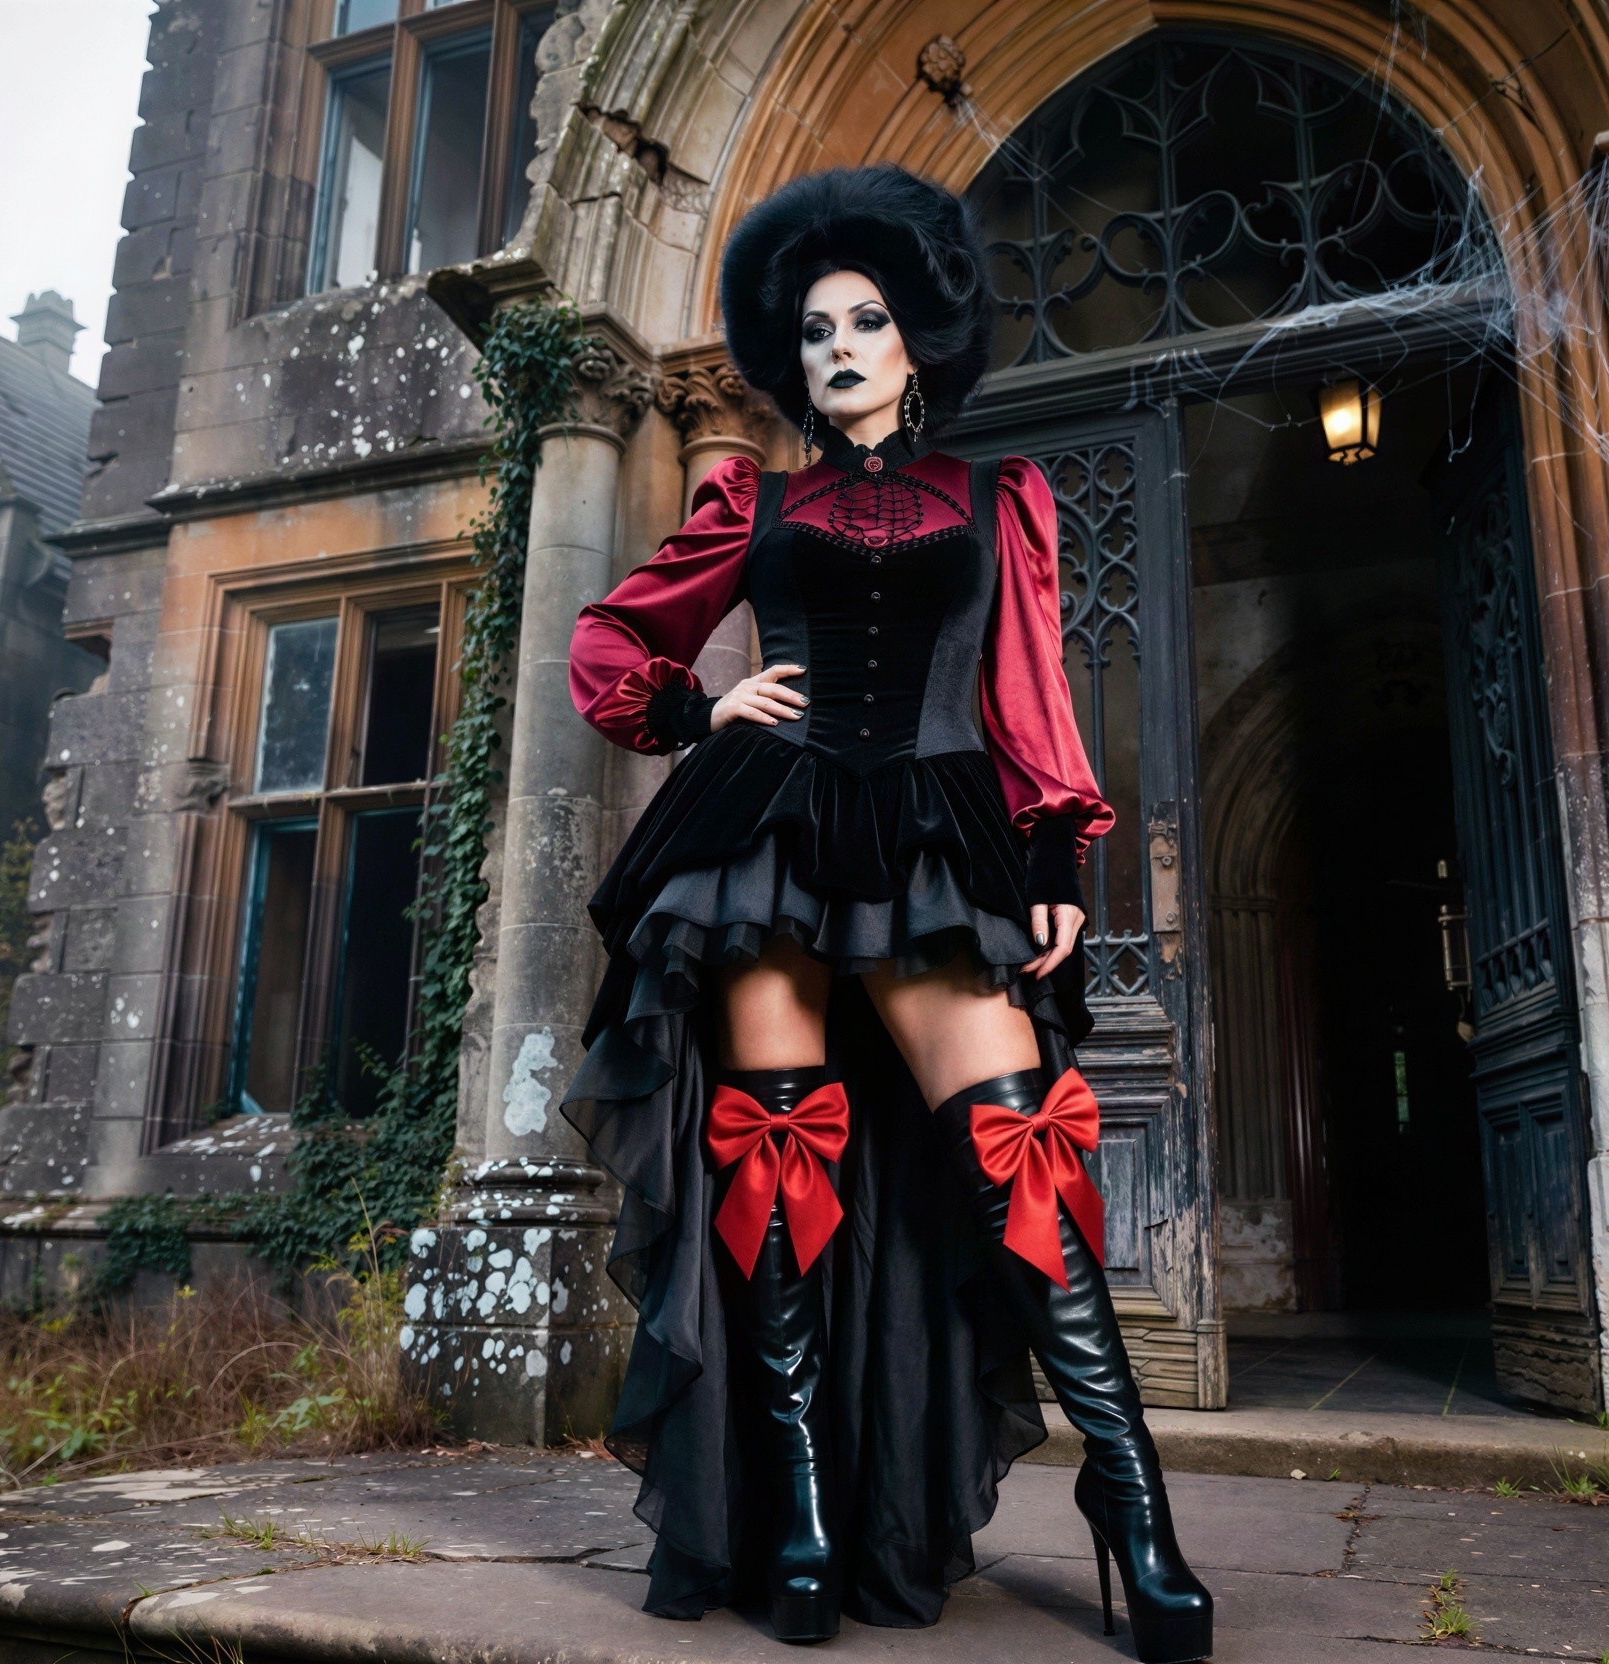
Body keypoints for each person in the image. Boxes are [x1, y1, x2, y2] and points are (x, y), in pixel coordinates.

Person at [562, 163, 1212, 1663]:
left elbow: (1029, 689)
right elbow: (607, 640)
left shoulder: (997, 497)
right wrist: (703, 705)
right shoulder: (753, 501)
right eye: (813, 331)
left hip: (934, 834)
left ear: (914, 339)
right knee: (777, 1164)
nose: (839, 347)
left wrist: (1052, 859)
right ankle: (797, 1508)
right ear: (792, 364)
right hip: (766, 838)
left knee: (1019, 1159)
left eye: (864, 321)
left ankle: (1131, 1504)